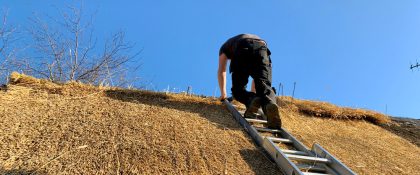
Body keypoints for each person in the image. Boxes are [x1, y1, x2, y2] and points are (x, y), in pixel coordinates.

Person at [218, 34, 282, 129]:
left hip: (242, 46)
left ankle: (250, 99)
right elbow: (259, 79)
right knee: (264, 87)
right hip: (262, 48)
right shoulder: (239, 40)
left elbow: (222, 70)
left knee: (238, 90)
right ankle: (270, 105)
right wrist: (256, 94)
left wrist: (223, 94)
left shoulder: (225, 47)